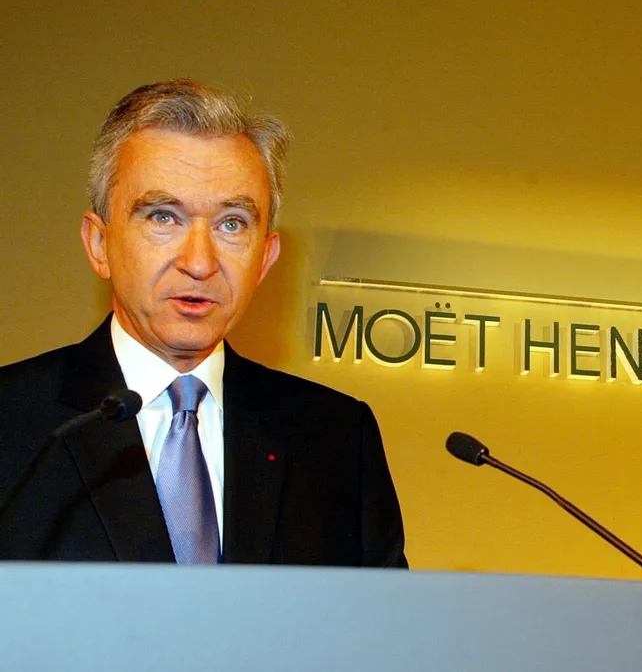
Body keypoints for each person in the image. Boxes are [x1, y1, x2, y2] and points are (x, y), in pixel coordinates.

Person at [0, 79, 406, 566]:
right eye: (163, 216)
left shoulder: (336, 437)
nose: (199, 261)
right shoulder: (15, 420)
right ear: (98, 244)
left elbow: (376, 635)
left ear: (264, 258)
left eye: (231, 223)